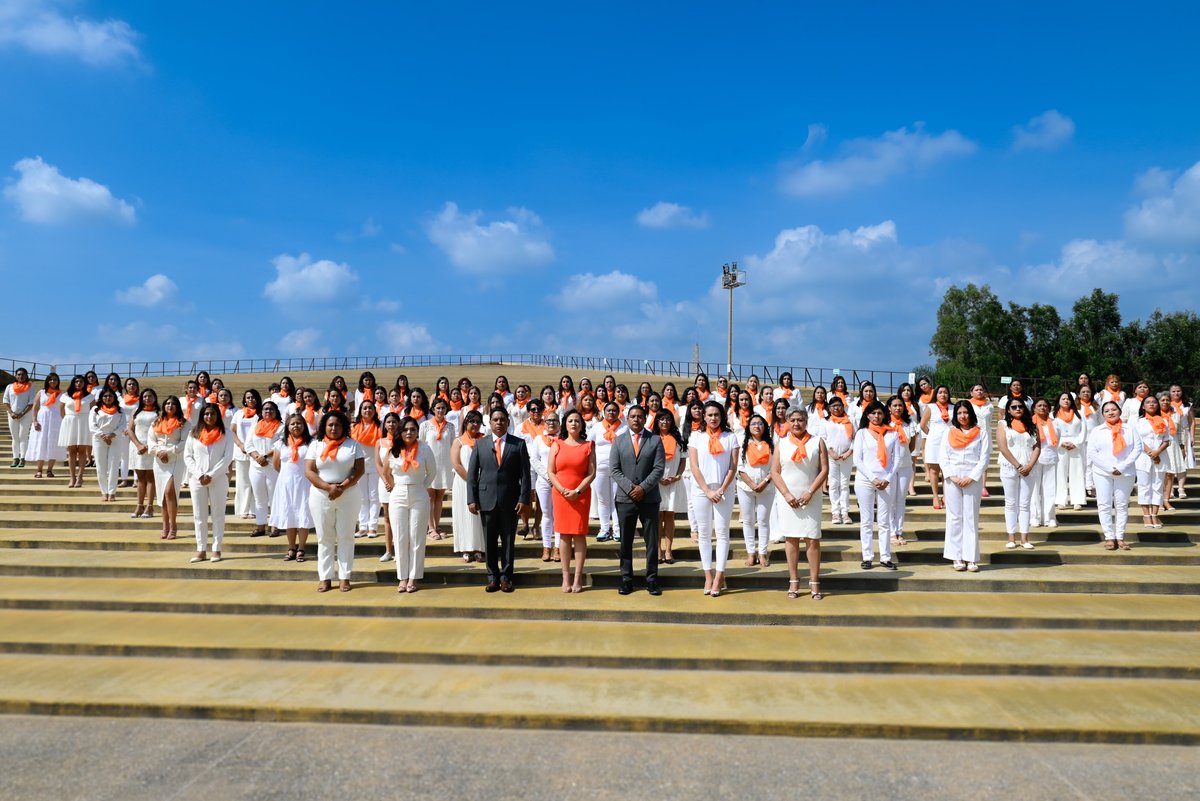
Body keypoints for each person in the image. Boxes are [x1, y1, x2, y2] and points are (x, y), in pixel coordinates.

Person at [466, 408, 532, 593]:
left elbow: (525, 475)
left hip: (511, 500)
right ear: (490, 422)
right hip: (486, 500)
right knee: (490, 541)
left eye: (502, 419)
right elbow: (472, 475)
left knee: (509, 541)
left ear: (508, 422)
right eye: (495, 419)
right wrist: (472, 499)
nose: (499, 422)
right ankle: (492, 577)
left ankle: (506, 577)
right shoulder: (480, 444)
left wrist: (523, 498)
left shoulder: (518, 444)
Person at [771, 408, 829, 600]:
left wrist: (810, 491)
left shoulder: (817, 441)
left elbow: (824, 470)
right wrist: (787, 494)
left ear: (806, 421)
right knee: (791, 538)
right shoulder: (781, 443)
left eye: (800, 420)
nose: (796, 423)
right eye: (793, 420)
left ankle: (814, 581)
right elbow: (775, 472)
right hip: (788, 498)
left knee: (812, 538)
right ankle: (794, 580)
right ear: (787, 420)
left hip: (811, 496)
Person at [305, 410, 366, 592]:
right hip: (321, 495)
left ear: (344, 427)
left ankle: (344, 576)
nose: (333, 428)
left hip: (348, 494)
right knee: (325, 537)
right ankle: (325, 577)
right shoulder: (316, 445)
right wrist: (328, 487)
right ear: (324, 426)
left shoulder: (353, 445)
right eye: (330, 425)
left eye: (338, 425)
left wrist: (342, 487)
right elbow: (309, 471)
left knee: (346, 536)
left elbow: (359, 470)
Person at [610, 405, 665, 595]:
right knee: (626, 541)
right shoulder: (618, 441)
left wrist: (643, 488)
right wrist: (630, 488)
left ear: (645, 418)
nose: (636, 419)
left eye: (640, 416)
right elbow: (614, 470)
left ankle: (651, 579)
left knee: (651, 541)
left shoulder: (655, 440)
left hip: (649, 498)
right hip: (625, 499)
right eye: (632, 416)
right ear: (627, 418)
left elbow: (658, 468)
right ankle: (626, 579)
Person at [688, 400, 739, 597]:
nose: (713, 418)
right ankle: (708, 574)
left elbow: (733, 467)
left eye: (716, 415)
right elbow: (694, 466)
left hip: (724, 490)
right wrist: (708, 491)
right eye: (709, 415)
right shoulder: (696, 436)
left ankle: (719, 575)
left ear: (722, 416)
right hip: (701, 490)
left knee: (722, 533)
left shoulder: (730, 437)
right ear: (703, 416)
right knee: (704, 533)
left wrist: (721, 489)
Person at [939, 400, 991, 572]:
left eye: (966, 412)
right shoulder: (949, 432)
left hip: (972, 478)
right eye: (960, 413)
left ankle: (971, 558)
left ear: (971, 414)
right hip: (952, 477)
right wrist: (952, 476)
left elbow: (984, 458)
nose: (963, 416)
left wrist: (972, 476)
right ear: (956, 415)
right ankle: (957, 556)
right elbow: (943, 457)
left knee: (971, 517)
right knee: (954, 517)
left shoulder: (981, 432)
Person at [386, 416, 436, 593]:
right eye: (406, 429)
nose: (409, 432)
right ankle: (402, 577)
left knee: (416, 537)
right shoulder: (394, 450)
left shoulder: (425, 449)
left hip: (419, 493)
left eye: (413, 429)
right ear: (400, 431)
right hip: (398, 493)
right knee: (400, 536)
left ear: (417, 431)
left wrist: (421, 485)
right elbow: (386, 472)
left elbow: (432, 471)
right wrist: (393, 486)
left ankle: (413, 577)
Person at [549, 409, 596, 592]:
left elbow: (591, 473)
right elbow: (551, 471)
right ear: (565, 424)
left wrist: (577, 491)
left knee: (579, 534)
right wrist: (562, 490)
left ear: (582, 424)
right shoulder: (556, 444)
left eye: (577, 420)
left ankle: (578, 578)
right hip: (561, 495)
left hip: (581, 495)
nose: (574, 423)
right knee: (564, 535)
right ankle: (565, 577)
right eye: (570, 421)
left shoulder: (588, 445)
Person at [853, 402, 903, 570]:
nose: (876, 416)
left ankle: (885, 556)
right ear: (867, 415)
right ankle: (867, 556)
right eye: (873, 413)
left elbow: (896, 460)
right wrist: (873, 478)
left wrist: (887, 478)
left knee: (884, 521)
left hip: (886, 480)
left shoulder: (892, 433)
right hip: (866, 480)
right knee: (866, 520)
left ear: (884, 415)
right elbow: (857, 460)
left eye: (879, 413)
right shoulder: (861, 433)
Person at [183, 403, 235, 563]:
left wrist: (211, 474)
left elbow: (227, 458)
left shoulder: (226, 433)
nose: (209, 417)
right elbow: (188, 456)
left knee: (218, 515)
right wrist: (200, 474)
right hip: (197, 479)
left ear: (217, 416)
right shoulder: (194, 433)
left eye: (212, 414)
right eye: (206, 414)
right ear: (202, 416)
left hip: (218, 479)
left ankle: (216, 548)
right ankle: (201, 549)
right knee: (199, 515)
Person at [1087, 401, 1141, 550]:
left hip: (1126, 472)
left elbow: (1137, 449)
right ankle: (1109, 537)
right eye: (1107, 411)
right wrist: (1109, 468)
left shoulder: (1129, 429)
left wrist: (1122, 467)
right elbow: (1092, 452)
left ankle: (1120, 537)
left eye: (1113, 410)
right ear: (1103, 414)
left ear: (1119, 411)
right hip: (1102, 473)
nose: (1111, 413)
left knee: (1122, 505)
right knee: (1104, 504)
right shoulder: (1097, 430)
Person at [997, 396, 1040, 550]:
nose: (1017, 409)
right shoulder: (1003, 424)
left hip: (1029, 467)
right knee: (1011, 503)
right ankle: (1011, 537)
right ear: (1008, 410)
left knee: (1025, 503)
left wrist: (1029, 465)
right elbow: (1003, 446)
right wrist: (1018, 465)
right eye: (1013, 407)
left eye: (1020, 406)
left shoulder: (1032, 425)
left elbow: (1037, 446)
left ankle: (1025, 538)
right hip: (1010, 466)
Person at [270, 413, 314, 562]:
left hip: (304, 483)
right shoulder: (280, 444)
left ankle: (301, 547)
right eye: (293, 424)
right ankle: (291, 547)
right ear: (287, 427)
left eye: (299, 423)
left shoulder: (311, 443)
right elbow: (276, 465)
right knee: (289, 515)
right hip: (286, 484)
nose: (296, 426)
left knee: (303, 515)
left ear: (304, 426)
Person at [736, 414, 776, 567]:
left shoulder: (771, 444)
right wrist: (752, 484)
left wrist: (765, 482)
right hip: (746, 487)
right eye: (753, 423)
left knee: (764, 521)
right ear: (748, 427)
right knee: (748, 520)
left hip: (767, 487)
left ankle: (763, 552)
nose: (757, 426)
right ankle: (751, 552)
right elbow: (739, 467)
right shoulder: (743, 443)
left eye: (760, 423)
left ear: (764, 426)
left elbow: (775, 466)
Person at [148, 395, 188, 541]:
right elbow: (151, 441)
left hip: (175, 459)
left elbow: (185, 442)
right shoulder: (156, 422)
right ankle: (165, 526)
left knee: (169, 491)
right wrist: (159, 452)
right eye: (167, 403)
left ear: (177, 406)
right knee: (163, 496)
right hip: (159, 461)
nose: (170, 406)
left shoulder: (183, 423)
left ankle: (173, 526)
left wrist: (169, 452)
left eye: (173, 404)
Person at [243, 400, 284, 536]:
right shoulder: (255, 426)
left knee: (274, 497)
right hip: (256, 466)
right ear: (261, 412)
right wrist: (257, 457)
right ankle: (260, 526)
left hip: (273, 466)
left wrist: (265, 456)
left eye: (271, 409)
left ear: (276, 411)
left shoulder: (281, 427)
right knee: (259, 498)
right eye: (265, 409)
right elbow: (248, 445)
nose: (268, 411)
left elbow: (280, 445)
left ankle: (275, 526)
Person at [450, 410, 486, 564]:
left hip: (482, 483)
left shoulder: (484, 439)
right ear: (466, 423)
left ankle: (480, 548)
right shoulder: (458, 441)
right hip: (463, 483)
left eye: (478, 422)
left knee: (479, 516)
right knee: (464, 514)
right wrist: (471, 482)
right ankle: (466, 548)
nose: (475, 425)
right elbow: (457, 464)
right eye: (472, 421)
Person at [588, 401, 626, 542]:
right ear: (604, 412)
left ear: (618, 412)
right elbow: (588, 444)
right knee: (603, 500)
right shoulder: (597, 427)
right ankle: (604, 529)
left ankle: (617, 530)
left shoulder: (624, 428)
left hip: (618, 469)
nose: (611, 413)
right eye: (608, 410)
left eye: (614, 410)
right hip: (600, 469)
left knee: (616, 500)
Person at [885, 395, 918, 547]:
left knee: (901, 499)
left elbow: (911, 446)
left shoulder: (908, 424)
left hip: (905, 465)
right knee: (890, 500)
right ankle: (891, 532)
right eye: (895, 405)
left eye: (900, 405)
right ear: (889, 408)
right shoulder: (885, 423)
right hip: (890, 467)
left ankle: (899, 531)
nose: (898, 408)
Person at [421, 397, 456, 540]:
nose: (440, 410)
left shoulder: (450, 426)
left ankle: (437, 524)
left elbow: (453, 446)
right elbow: (421, 445)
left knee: (439, 497)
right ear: (433, 409)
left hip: (444, 465)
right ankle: (430, 528)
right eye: (438, 408)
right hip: (429, 465)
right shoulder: (425, 425)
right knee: (430, 496)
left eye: (443, 408)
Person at [529, 410, 562, 562]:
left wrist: (557, 478)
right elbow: (534, 460)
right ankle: (546, 546)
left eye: (554, 420)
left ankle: (558, 547)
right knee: (547, 514)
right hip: (544, 482)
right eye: (548, 420)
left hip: (561, 482)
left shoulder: (564, 438)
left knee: (559, 515)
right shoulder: (538, 439)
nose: (551, 423)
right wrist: (548, 476)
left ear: (559, 423)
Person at [653, 410, 685, 564]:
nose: (664, 422)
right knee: (658, 517)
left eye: (667, 419)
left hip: (673, 482)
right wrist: (657, 478)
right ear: (657, 421)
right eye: (661, 419)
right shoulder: (652, 438)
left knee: (670, 517)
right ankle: (658, 550)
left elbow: (683, 461)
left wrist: (677, 476)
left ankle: (668, 551)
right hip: (656, 483)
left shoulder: (679, 439)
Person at [1134, 395, 1171, 529]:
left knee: (1157, 486)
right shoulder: (1138, 422)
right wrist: (1151, 452)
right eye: (1148, 402)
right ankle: (1146, 515)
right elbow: (1137, 440)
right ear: (1143, 406)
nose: (1151, 404)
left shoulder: (1164, 421)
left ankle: (1155, 514)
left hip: (1160, 456)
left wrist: (1157, 452)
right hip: (1143, 457)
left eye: (1154, 402)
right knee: (1144, 486)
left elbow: (1167, 440)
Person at [350, 400, 383, 539]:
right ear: (360, 411)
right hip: (360, 466)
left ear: (374, 411)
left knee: (374, 497)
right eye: (364, 408)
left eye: (370, 408)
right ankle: (363, 526)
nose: (367, 410)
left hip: (375, 465)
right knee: (362, 497)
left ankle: (373, 527)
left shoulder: (380, 426)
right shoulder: (355, 427)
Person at [820, 395, 855, 525]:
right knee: (834, 484)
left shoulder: (850, 420)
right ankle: (835, 512)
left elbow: (855, 437)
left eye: (839, 405)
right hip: (831, 457)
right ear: (829, 408)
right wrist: (831, 452)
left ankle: (845, 512)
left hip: (847, 456)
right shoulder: (826, 421)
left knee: (845, 484)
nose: (836, 408)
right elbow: (822, 438)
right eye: (833, 406)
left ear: (843, 406)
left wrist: (849, 451)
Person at [127, 388, 159, 518]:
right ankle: (139, 506)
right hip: (137, 447)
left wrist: (149, 445)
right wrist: (138, 445)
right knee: (140, 478)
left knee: (151, 478)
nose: (147, 398)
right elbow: (130, 429)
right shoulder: (136, 411)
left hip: (152, 446)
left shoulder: (159, 413)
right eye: (145, 396)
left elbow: (160, 431)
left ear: (155, 398)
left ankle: (150, 507)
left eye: (150, 396)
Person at [230, 389, 262, 519]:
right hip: (241, 452)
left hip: (256, 453)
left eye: (253, 397)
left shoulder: (260, 414)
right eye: (248, 397)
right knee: (243, 482)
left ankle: (253, 509)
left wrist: (252, 448)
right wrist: (240, 444)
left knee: (255, 481)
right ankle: (243, 509)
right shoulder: (238, 414)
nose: (250, 400)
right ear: (244, 399)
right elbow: (232, 431)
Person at [1053, 392, 1087, 511]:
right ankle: (1060, 500)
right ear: (1059, 401)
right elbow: (1052, 432)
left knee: (1077, 472)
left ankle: (1077, 500)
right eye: (1063, 399)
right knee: (1060, 473)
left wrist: (1076, 443)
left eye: (1068, 399)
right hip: (1060, 446)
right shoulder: (1054, 415)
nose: (1066, 401)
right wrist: (1060, 442)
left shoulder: (1079, 414)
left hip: (1075, 445)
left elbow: (1083, 431)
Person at [920, 385, 953, 510]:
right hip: (934, 443)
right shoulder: (931, 407)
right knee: (934, 471)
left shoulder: (953, 408)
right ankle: (935, 496)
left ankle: (946, 496)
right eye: (940, 392)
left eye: (945, 392)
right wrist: (933, 434)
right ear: (936, 394)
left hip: (950, 443)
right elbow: (922, 425)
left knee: (947, 471)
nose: (943, 395)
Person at [1029, 398, 1060, 528]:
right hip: (1034, 459)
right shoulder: (1029, 423)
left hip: (1051, 457)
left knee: (1050, 489)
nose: (1042, 408)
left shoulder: (1055, 423)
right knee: (1035, 489)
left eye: (1045, 406)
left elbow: (1058, 440)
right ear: (1034, 408)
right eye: (1039, 405)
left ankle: (1049, 517)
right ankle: (1034, 516)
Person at [89, 388, 123, 501]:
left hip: (115, 439)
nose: (108, 398)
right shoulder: (95, 409)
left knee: (113, 466)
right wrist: (103, 436)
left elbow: (123, 426)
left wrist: (112, 435)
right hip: (99, 440)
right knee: (100, 467)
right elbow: (92, 426)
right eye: (105, 396)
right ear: (101, 398)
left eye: (110, 396)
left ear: (114, 398)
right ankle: (104, 492)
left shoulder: (120, 410)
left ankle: (112, 492)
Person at [58, 374, 92, 488]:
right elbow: (61, 410)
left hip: (84, 422)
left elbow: (93, 411)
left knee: (82, 450)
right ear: (73, 383)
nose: (79, 383)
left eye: (81, 382)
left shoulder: (89, 397)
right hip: (70, 422)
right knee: (71, 451)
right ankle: (72, 477)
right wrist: (67, 420)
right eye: (77, 381)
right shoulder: (65, 396)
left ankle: (80, 477)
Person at [4, 368, 35, 468]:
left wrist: (22, 413)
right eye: (19, 374)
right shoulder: (10, 387)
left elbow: (31, 402)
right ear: (16, 376)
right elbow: (6, 401)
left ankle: (23, 458)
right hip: (12, 415)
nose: (21, 376)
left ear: (26, 376)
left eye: (23, 374)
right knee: (15, 437)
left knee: (23, 436)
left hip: (25, 415)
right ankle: (15, 458)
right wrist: (11, 412)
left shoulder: (30, 387)